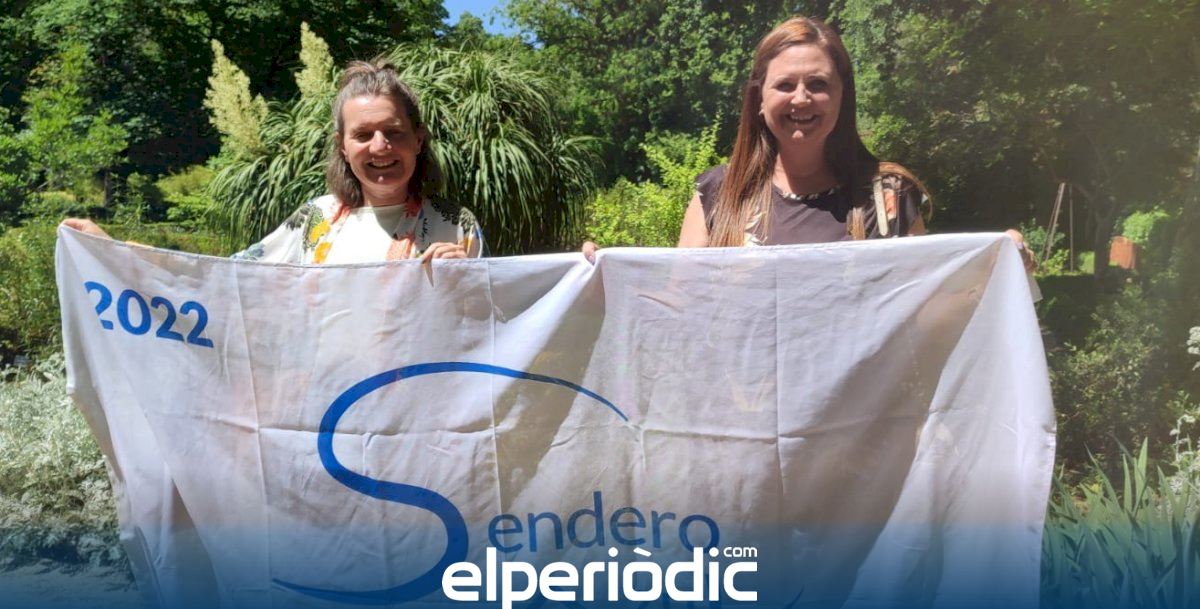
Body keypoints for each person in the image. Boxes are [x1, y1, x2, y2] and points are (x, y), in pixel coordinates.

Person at [582, 16, 1034, 270]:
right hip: (742, 408)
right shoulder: (719, 194)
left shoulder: (888, 198)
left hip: (859, 410)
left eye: (818, 84)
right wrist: (605, 278)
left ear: (841, 96)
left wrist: (995, 269)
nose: (801, 99)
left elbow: (929, 313)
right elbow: (676, 311)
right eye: (785, 85)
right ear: (759, 100)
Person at [64, 59, 483, 264]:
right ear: (342, 146)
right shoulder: (316, 221)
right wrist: (112, 251)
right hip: (328, 403)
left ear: (418, 139)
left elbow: (492, 337)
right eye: (362, 135)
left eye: (394, 132)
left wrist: (469, 283)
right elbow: (225, 278)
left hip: (417, 402)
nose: (380, 147)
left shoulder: (456, 225)